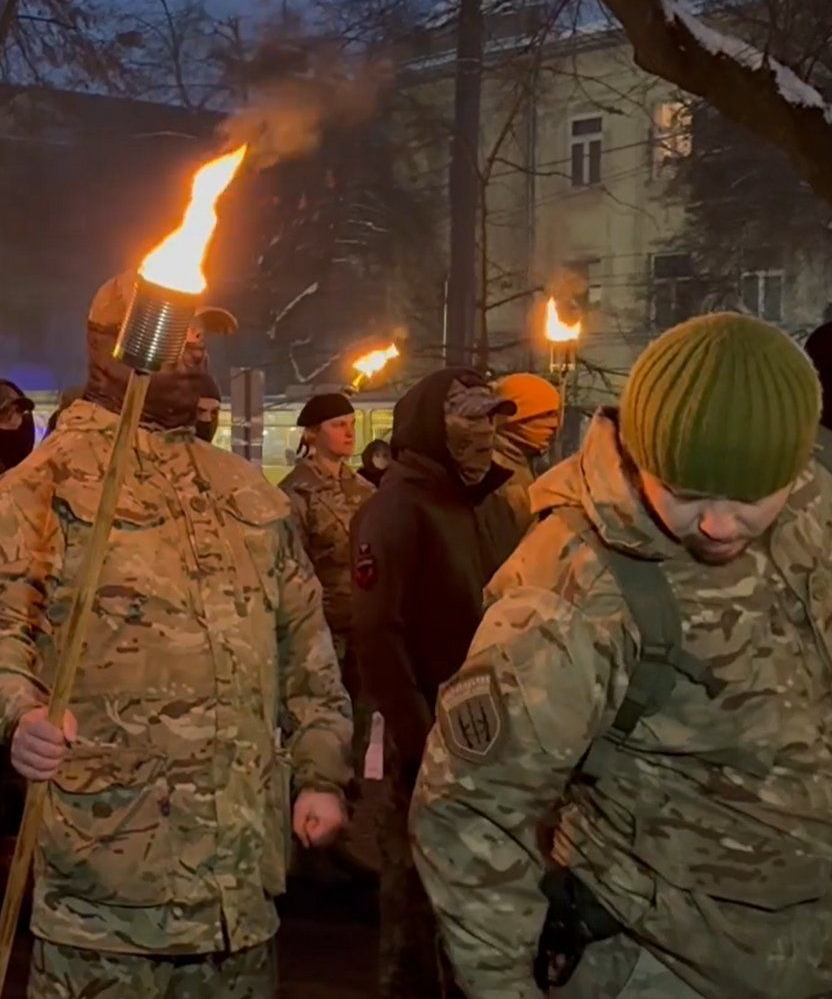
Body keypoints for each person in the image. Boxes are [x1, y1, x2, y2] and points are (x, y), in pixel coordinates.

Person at [0, 275, 351, 997]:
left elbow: (306, 647)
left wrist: (321, 769)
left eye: (202, 333)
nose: (196, 346)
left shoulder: (244, 492)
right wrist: (20, 713)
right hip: (112, 885)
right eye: (175, 334)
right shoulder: (45, 488)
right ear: (111, 352)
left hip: (238, 896)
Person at [413, 313, 832, 997]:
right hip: (658, 964)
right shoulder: (574, 585)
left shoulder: (818, 504)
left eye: (753, 498)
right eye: (687, 494)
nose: (720, 525)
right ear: (643, 455)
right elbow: (470, 810)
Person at [349, 367, 516, 997]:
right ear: (430, 425)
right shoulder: (397, 507)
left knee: (478, 902)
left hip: (491, 736)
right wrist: (421, 739)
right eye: (468, 418)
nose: (484, 432)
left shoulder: (490, 506)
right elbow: (378, 633)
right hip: (426, 737)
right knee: (417, 902)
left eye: (490, 418)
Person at [279, 391, 374, 785]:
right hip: (321, 626)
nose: (349, 434)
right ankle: (315, 787)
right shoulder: (295, 493)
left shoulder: (365, 489)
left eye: (352, 425)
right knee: (319, 714)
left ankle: (351, 789)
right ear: (313, 435)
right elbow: (293, 562)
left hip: (363, 622)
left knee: (363, 713)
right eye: (338, 426)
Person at [482, 371, 563, 555]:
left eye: (555, 415)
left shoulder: (521, 462)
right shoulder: (497, 472)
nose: (554, 424)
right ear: (515, 417)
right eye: (546, 415)